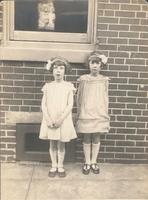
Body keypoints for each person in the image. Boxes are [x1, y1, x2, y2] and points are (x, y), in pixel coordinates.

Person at [39, 57, 77, 178]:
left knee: (61, 144)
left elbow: (70, 104)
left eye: (61, 68)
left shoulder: (68, 86)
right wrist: (48, 119)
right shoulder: (48, 86)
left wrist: (61, 119)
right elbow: (43, 104)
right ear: (52, 70)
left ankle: (60, 165)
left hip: (63, 119)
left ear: (65, 71)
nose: (58, 71)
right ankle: (53, 165)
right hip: (50, 118)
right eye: (55, 68)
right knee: (52, 143)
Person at [76, 51, 110, 175]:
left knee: (96, 136)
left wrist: (104, 111)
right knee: (86, 135)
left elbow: (105, 97)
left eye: (97, 63)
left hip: (98, 111)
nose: (95, 66)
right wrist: (81, 110)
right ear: (88, 64)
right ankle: (87, 162)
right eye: (92, 63)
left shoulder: (104, 80)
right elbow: (79, 97)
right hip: (87, 111)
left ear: (101, 65)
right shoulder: (84, 79)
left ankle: (94, 161)